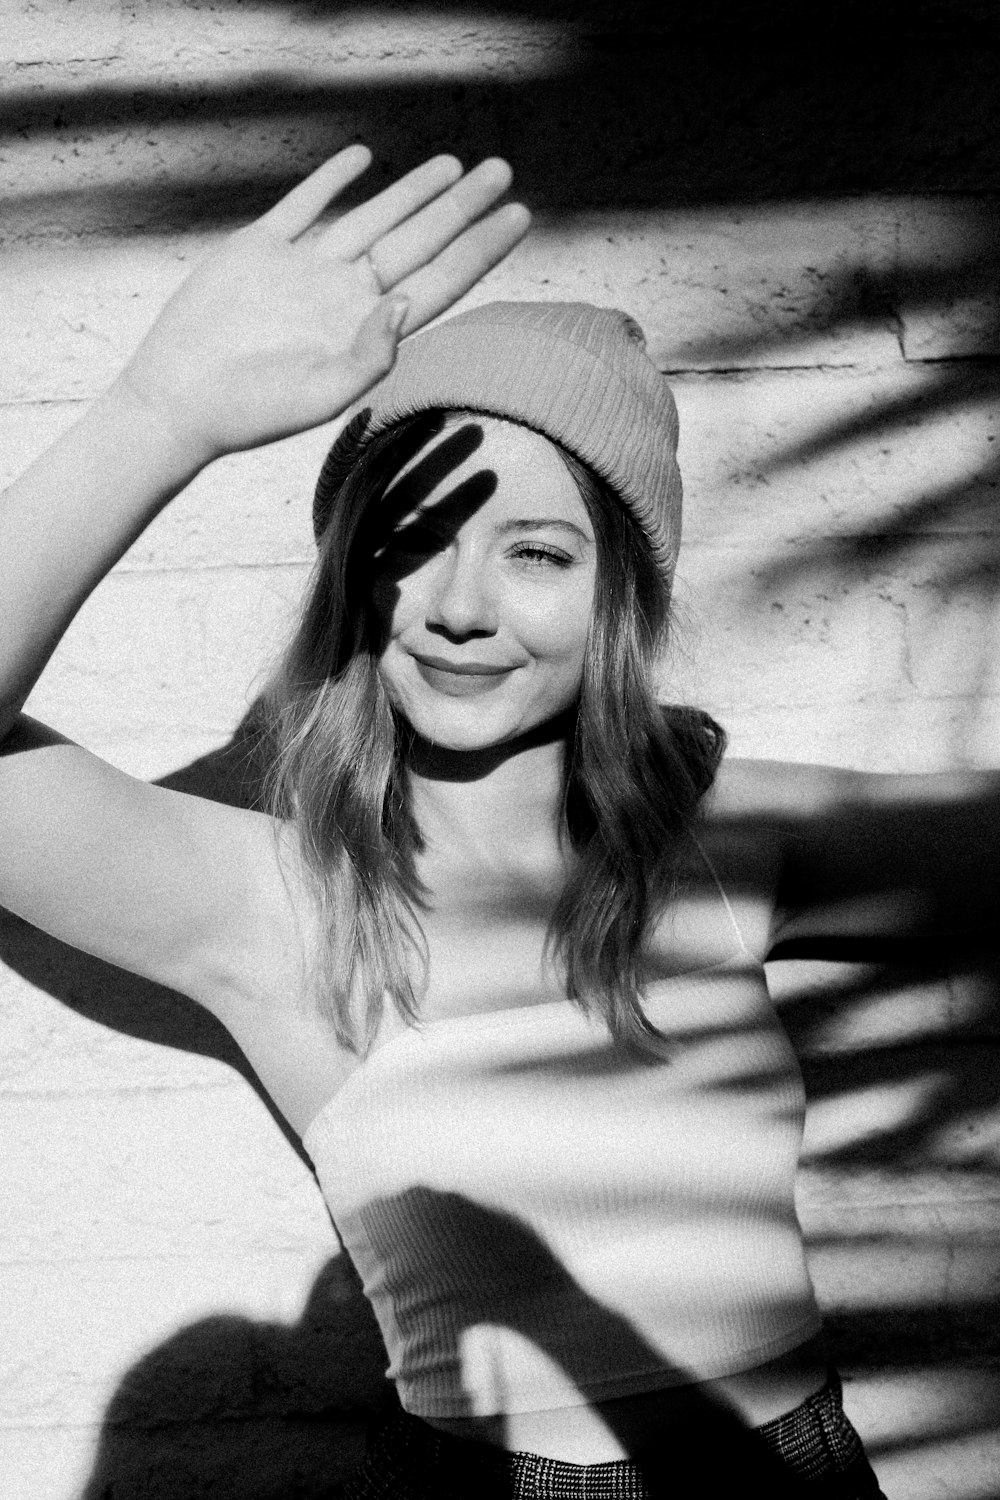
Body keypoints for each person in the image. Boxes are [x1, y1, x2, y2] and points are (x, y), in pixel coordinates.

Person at [2, 145, 996, 1498]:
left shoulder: (729, 837)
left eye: (537, 550)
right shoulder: (278, 904)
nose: (463, 603)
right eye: (415, 534)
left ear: (616, 599)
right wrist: (158, 413)